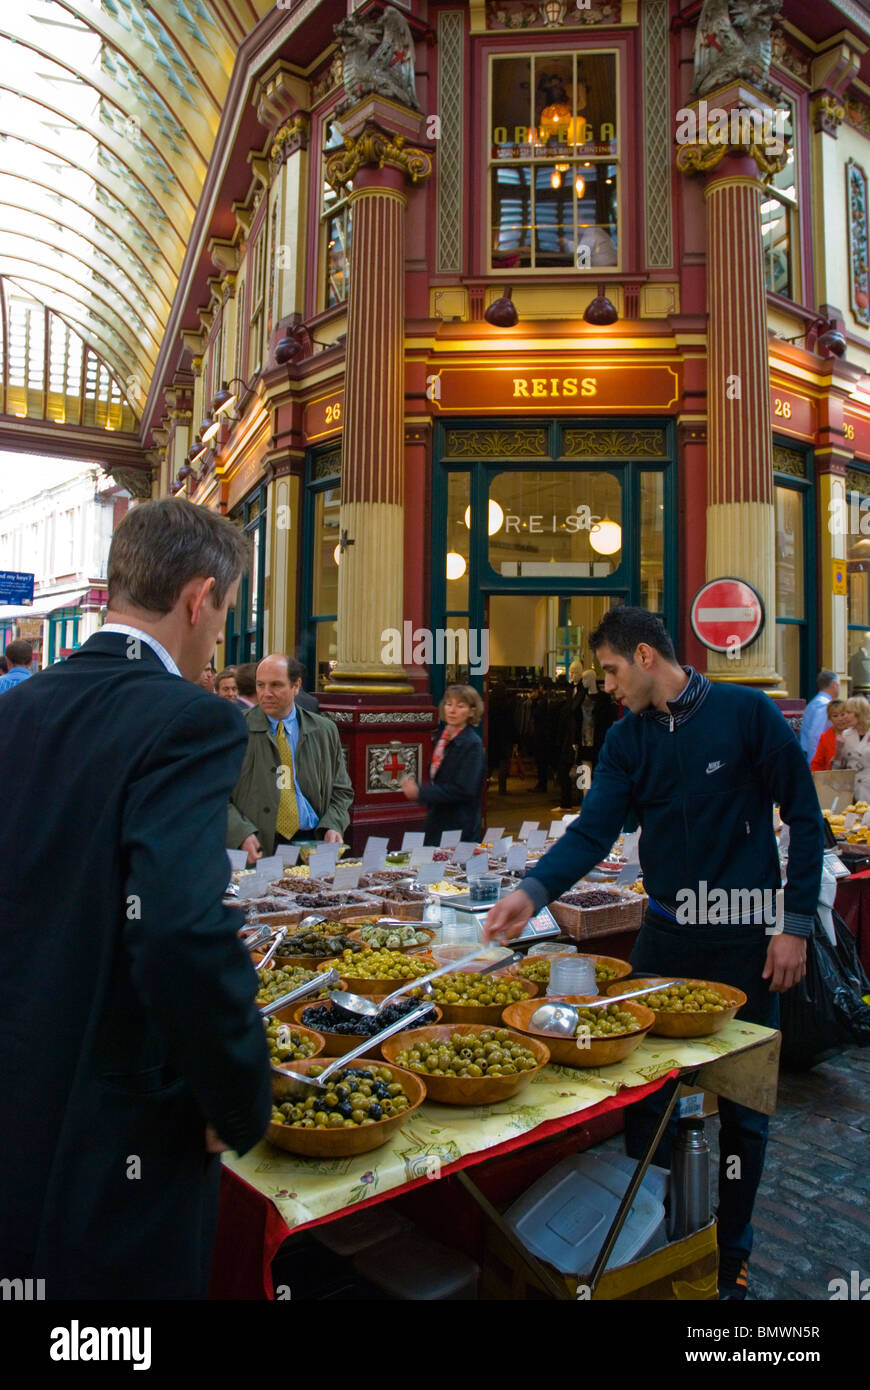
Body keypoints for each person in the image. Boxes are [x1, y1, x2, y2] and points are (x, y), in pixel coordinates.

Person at [483, 605, 823, 1302]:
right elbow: (592, 832)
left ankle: (732, 1255)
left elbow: (806, 817)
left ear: (644, 657)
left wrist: (795, 926)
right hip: (664, 940)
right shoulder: (624, 741)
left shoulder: (747, 713)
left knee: (744, 1115)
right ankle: (661, 1236)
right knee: (648, 1101)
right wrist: (534, 889)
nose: (604, 685)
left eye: (609, 670)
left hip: (747, 941)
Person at [0, 498, 271, 1299]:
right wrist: (235, 1091)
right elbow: (179, 928)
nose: (219, 635)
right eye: (223, 612)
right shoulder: (188, 720)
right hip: (123, 1113)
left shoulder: (16, 709)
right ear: (198, 598)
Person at [227, 654, 352, 863]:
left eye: (276, 685)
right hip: (258, 845)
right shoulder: (236, 730)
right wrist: (240, 832)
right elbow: (215, 793)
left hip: (311, 844)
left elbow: (342, 790)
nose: (266, 693)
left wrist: (333, 824)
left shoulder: (323, 730)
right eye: (260, 685)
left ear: (296, 686)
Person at [400, 684, 486, 844]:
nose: (452, 710)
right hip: (437, 822)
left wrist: (420, 792)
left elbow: (463, 789)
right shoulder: (441, 739)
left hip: (459, 827)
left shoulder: (472, 744)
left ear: (471, 712)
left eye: (460, 706)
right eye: (448, 704)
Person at [833, 695, 870, 800]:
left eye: (849, 713)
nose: (845, 717)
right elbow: (837, 770)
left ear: (860, 713)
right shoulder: (845, 735)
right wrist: (838, 750)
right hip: (852, 793)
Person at [799, 669, 839, 761]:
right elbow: (816, 735)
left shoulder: (814, 703)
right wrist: (815, 762)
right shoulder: (824, 704)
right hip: (815, 758)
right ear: (834, 685)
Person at [809, 699, 850, 771]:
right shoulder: (825, 737)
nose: (840, 719)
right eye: (835, 716)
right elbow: (817, 764)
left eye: (842, 714)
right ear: (829, 718)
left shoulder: (855, 733)